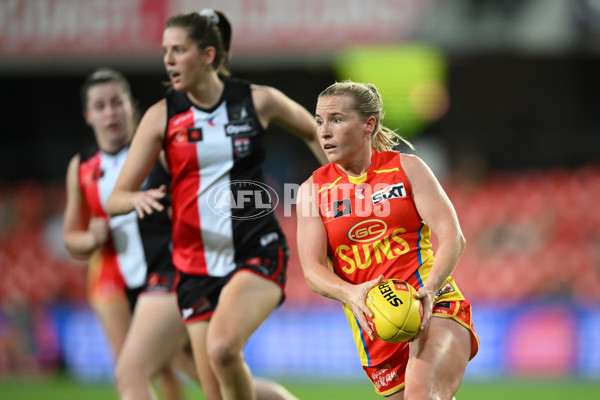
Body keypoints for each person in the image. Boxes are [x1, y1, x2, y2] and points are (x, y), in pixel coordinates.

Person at [106, 9, 326, 400]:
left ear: (208, 55)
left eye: (179, 49)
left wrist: (339, 184)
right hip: (194, 267)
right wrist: (135, 198)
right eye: (165, 51)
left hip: (255, 251)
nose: (168, 59)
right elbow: (116, 197)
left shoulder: (258, 101)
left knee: (223, 349)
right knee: (218, 392)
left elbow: (314, 130)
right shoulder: (161, 117)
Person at [296, 80, 479, 399]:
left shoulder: (407, 169)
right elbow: (312, 270)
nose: (324, 131)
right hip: (375, 329)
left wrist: (431, 290)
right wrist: (350, 293)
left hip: (432, 307)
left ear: (369, 124)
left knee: (422, 395)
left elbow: (453, 235)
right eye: (319, 121)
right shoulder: (312, 191)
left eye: (336, 119)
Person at [62, 68, 196, 400]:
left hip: (166, 275)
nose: (110, 112)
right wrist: (92, 239)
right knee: (139, 369)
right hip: (111, 280)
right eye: (100, 106)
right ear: (88, 115)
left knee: (161, 367)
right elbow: (71, 239)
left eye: (116, 103)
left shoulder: (157, 149)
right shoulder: (82, 167)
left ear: (131, 106)